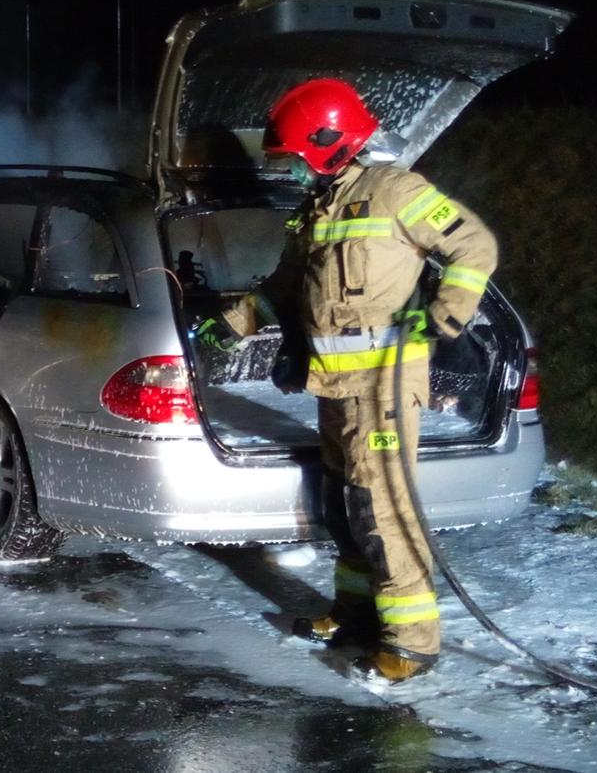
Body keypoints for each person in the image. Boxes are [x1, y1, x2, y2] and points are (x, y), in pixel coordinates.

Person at [202, 78, 499, 682]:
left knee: (382, 509)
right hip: (334, 388)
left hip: (383, 389)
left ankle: (411, 644)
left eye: (296, 158)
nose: (292, 171)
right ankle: (355, 613)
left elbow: (475, 246)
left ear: (328, 141)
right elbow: (283, 289)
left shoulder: (396, 191)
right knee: (345, 509)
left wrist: (442, 315)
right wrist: (223, 327)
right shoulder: (319, 207)